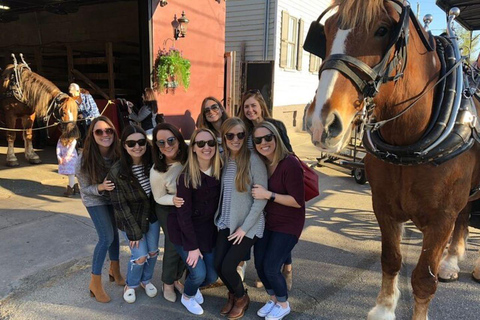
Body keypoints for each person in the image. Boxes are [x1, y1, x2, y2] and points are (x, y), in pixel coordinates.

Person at [238, 89, 294, 289]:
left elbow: (288, 152)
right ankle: (266, 267)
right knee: (266, 227)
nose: (250, 110)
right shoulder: (244, 131)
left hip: (276, 184)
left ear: (261, 105)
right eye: (246, 107)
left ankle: (286, 267)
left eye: (253, 105)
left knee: (280, 226)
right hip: (257, 186)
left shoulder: (276, 126)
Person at [214, 117, 268, 319]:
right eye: (230, 135)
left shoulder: (254, 160)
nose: (235, 139)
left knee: (228, 266)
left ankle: (241, 297)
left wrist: (244, 229)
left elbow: (261, 201)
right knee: (217, 265)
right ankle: (234, 294)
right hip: (226, 222)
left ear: (245, 136)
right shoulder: (223, 158)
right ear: (224, 138)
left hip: (248, 225)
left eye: (240, 135)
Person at [251, 121, 305, 320]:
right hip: (268, 222)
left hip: (288, 223)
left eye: (268, 138)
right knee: (259, 264)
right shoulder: (263, 162)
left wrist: (268, 194)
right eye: (258, 140)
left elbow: (297, 201)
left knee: (272, 267)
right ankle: (274, 298)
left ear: (276, 138)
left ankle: (283, 303)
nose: (263, 142)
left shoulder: (289, 163)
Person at [168, 128, 222, 315]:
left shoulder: (220, 171)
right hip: (184, 230)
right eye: (201, 143)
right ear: (193, 148)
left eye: (211, 143)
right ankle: (188, 296)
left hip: (207, 231)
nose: (206, 147)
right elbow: (183, 215)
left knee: (212, 275)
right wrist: (191, 246)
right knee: (199, 273)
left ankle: (192, 284)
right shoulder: (186, 176)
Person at [107, 125, 160, 304]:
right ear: (124, 145)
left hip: (151, 216)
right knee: (140, 256)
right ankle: (131, 284)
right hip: (130, 219)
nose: (137, 146)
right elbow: (120, 206)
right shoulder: (117, 172)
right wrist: (134, 232)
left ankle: (146, 280)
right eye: (131, 143)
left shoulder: (153, 163)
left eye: (141, 142)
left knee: (153, 252)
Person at [75, 116, 123, 303]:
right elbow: (84, 188)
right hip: (94, 199)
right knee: (106, 237)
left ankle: (115, 271)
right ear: (92, 135)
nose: (105, 134)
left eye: (108, 130)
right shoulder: (83, 159)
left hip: (113, 198)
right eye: (99, 131)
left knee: (115, 235)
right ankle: (95, 283)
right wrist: (101, 187)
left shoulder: (117, 152)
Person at [150, 123, 188, 302]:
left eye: (171, 140)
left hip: (186, 205)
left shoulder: (189, 157)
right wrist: (173, 200)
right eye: (161, 142)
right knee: (174, 245)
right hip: (167, 206)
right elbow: (158, 197)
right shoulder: (157, 171)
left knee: (188, 243)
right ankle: (167, 283)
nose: (167, 145)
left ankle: (177, 278)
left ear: (179, 140)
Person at [57, 123, 80, 197]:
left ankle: (71, 188)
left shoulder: (61, 139)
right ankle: (74, 187)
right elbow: (70, 150)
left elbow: (58, 148)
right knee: (72, 174)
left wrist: (59, 157)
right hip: (71, 159)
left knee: (71, 174)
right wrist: (65, 158)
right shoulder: (73, 141)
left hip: (65, 159)